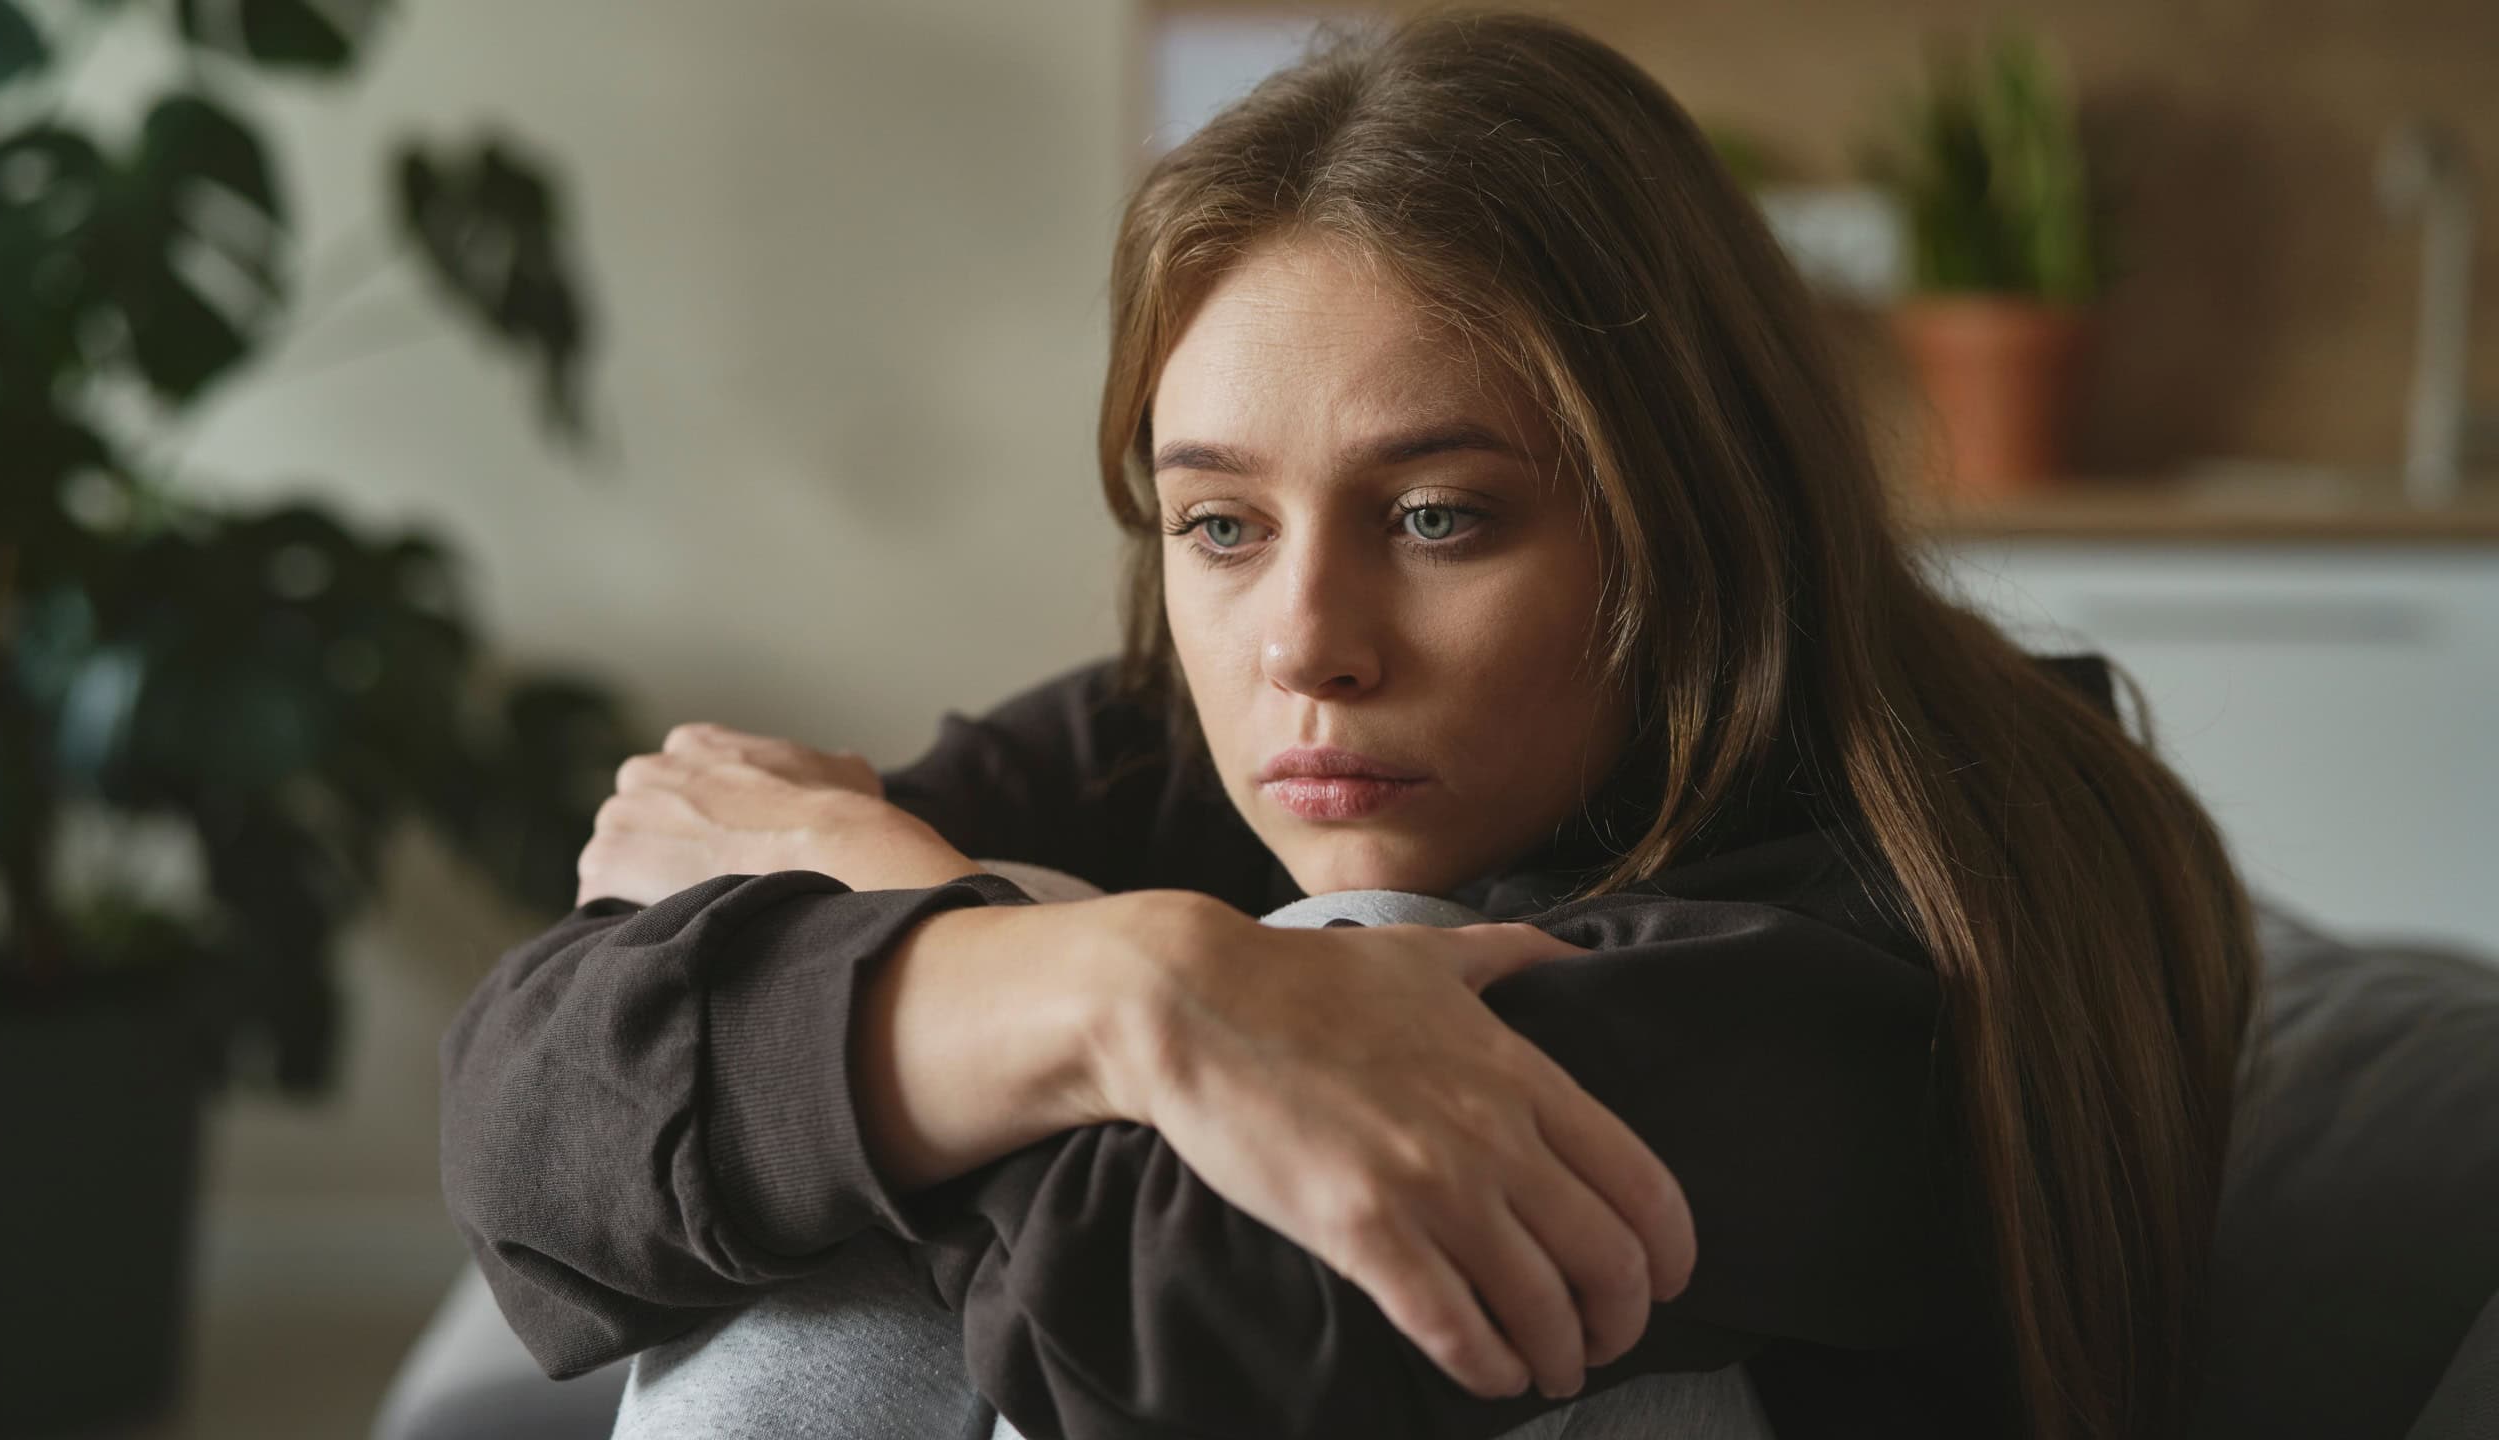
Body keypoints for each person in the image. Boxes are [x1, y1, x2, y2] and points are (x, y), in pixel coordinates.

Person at [437, 12, 2262, 1440]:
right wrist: (1114, 993)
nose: (1305, 643)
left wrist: (989, 935)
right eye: (1221, 524)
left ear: (1695, 517)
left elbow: (1210, 1362)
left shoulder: (1896, 921)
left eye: (1441, 517)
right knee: (846, 1161)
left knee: (1343, 971)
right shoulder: (1191, 735)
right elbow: (534, 1116)